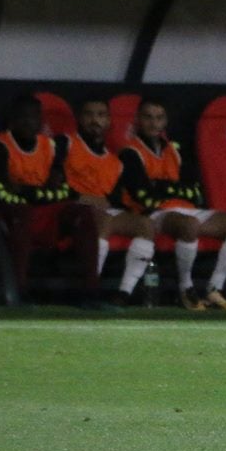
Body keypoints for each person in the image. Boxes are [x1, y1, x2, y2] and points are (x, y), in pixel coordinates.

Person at [117, 97, 226, 311]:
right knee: (189, 224)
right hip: (152, 214)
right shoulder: (130, 152)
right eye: (148, 117)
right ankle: (186, 288)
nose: (154, 123)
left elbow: (195, 192)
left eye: (159, 118)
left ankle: (215, 288)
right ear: (138, 120)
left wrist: (162, 187)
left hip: (186, 210)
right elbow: (144, 196)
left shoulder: (175, 149)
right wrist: (175, 188)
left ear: (165, 122)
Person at [0, 92, 102, 304]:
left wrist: (25, 191)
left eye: (35, 117)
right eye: (24, 117)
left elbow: (62, 190)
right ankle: (18, 290)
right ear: (13, 120)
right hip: (8, 215)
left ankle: (91, 291)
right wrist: (41, 193)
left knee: (81, 213)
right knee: (21, 211)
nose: (30, 122)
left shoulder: (49, 146)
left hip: (41, 214)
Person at [63, 98, 156, 305]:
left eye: (101, 115)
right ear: (79, 118)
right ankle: (90, 289)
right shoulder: (66, 144)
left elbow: (113, 199)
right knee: (102, 219)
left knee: (146, 225)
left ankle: (124, 293)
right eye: (89, 114)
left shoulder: (115, 162)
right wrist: (80, 197)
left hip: (102, 210)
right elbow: (52, 179)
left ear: (108, 122)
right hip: (70, 208)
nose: (95, 120)